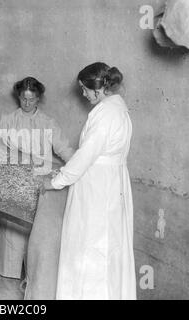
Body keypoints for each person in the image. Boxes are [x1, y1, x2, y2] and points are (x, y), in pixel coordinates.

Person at [0, 77, 74, 299]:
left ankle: (31, 278)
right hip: (12, 178)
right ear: (19, 97)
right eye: (23, 99)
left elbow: (64, 149)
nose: (27, 103)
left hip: (38, 181)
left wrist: (78, 168)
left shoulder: (48, 123)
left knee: (34, 230)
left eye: (31, 99)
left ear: (38, 98)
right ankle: (9, 272)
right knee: (11, 229)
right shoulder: (8, 120)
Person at [42, 62, 136, 299]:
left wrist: (55, 181)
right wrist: (64, 172)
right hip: (110, 184)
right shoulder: (118, 109)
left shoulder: (105, 113)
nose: (83, 94)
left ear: (97, 89)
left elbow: (85, 156)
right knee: (107, 249)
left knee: (91, 249)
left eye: (84, 89)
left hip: (97, 189)